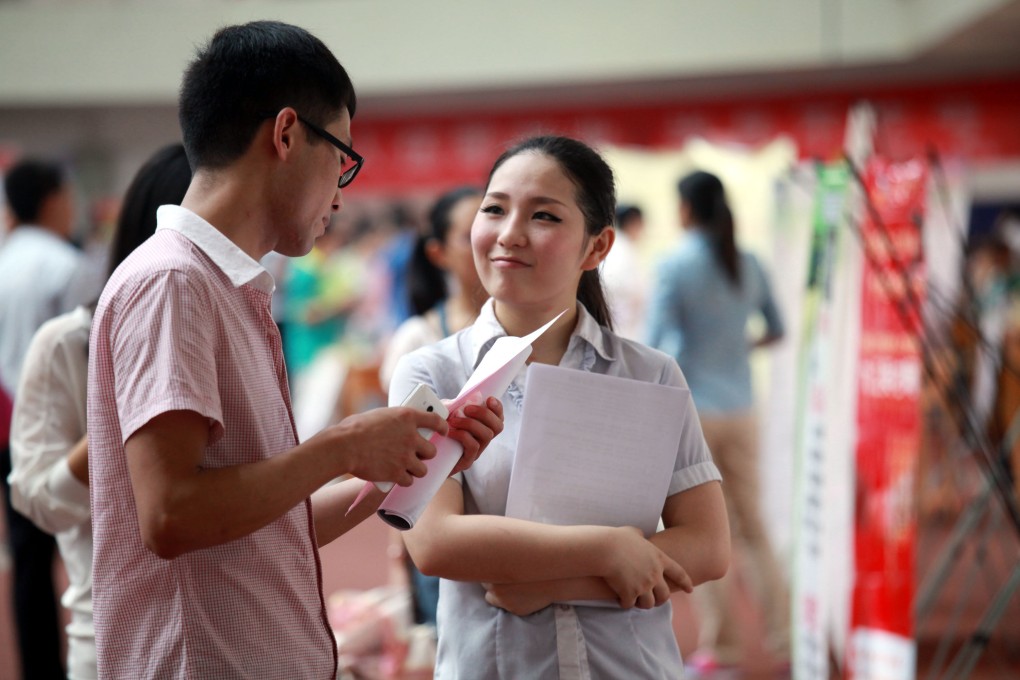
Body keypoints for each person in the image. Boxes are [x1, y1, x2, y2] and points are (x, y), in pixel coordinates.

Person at [86, 21, 503, 679]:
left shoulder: (228, 285)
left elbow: (266, 527)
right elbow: (171, 515)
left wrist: (400, 466)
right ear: (285, 135)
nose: (342, 194)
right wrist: (339, 447)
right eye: (341, 158)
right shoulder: (175, 281)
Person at [395, 135, 729, 679]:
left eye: (544, 216)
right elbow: (435, 542)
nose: (509, 234)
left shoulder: (649, 374)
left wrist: (553, 583)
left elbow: (708, 544)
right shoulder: (431, 372)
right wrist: (606, 550)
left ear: (596, 248)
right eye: (494, 209)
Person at [7, 143, 191, 680]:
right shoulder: (71, 340)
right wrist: (120, 416)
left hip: (232, 636)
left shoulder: (245, 327)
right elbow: (38, 500)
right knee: (29, 576)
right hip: (115, 639)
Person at [645, 169, 789, 675]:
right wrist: (736, 349)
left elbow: (654, 345)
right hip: (744, 408)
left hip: (696, 414)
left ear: (685, 209)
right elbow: (777, 329)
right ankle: (783, 635)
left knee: (704, 534)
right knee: (755, 529)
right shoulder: (748, 261)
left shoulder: (674, 264)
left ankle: (723, 650)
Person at [379, 185, 485, 629]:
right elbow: (401, 459)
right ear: (438, 252)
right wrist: (396, 546)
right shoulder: (416, 344)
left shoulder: (539, 337)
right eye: (471, 233)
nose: (492, 241)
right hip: (447, 539)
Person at [0, 157, 81, 680]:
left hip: (9, 419)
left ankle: (37, 668)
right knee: (84, 555)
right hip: (67, 432)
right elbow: (86, 353)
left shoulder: (2, 260)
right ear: (53, 201)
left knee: (27, 560)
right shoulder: (65, 265)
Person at [601, 202, 649, 340]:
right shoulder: (624, 251)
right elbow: (638, 294)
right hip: (623, 326)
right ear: (635, 223)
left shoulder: (612, 248)